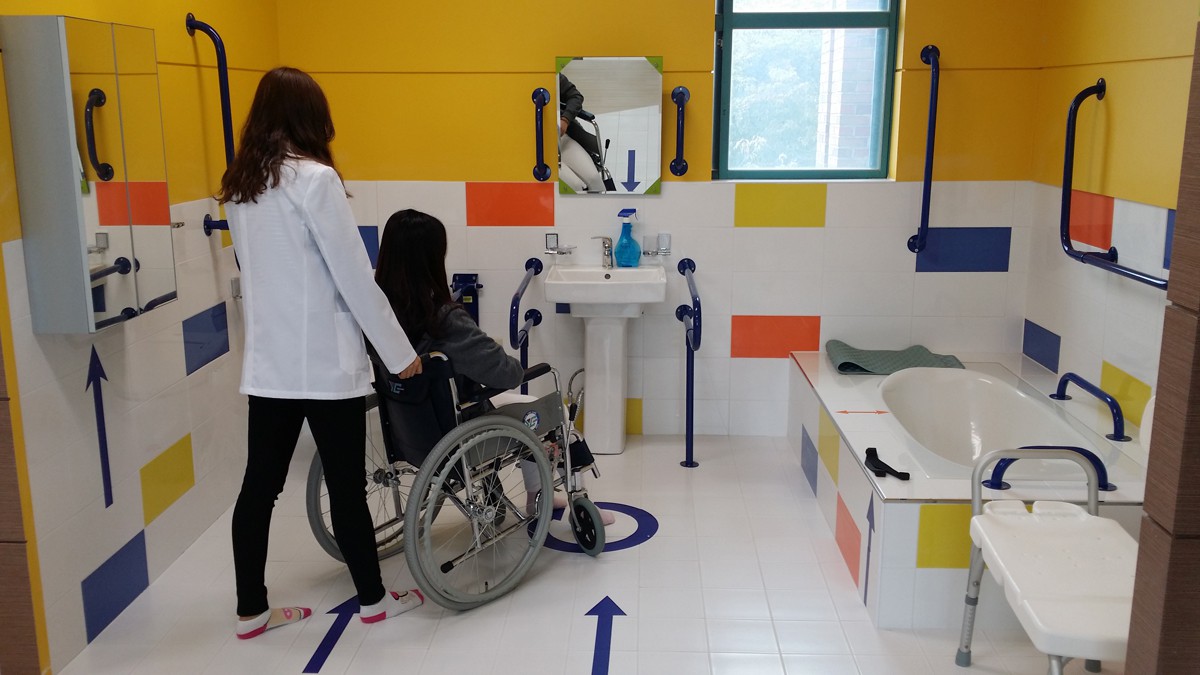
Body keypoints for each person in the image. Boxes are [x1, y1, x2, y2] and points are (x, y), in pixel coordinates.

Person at [219, 66, 424, 640]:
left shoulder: (240, 186)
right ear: (311, 117)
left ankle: (251, 611)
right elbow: (355, 276)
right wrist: (399, 353)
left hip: (271, 364)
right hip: (325, 365)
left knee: (259, 488)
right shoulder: (315, 180)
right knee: (347, 485)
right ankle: (374, 602)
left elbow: (259, 271)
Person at [374, 208, 614, 524]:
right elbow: (507, 374)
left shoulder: (378, 317)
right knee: (551, 413)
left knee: (520, 407)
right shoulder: (444, 320)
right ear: (432, 259)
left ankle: (531, 494)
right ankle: (567, 501)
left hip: (411, 433)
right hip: (460, 432)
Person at [557, 73, 607, 193]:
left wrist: (565, 119)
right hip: (536, 151)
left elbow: (575, 97)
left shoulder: (552, 76)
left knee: (595, 180)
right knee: (575, 186)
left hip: (561, 139)